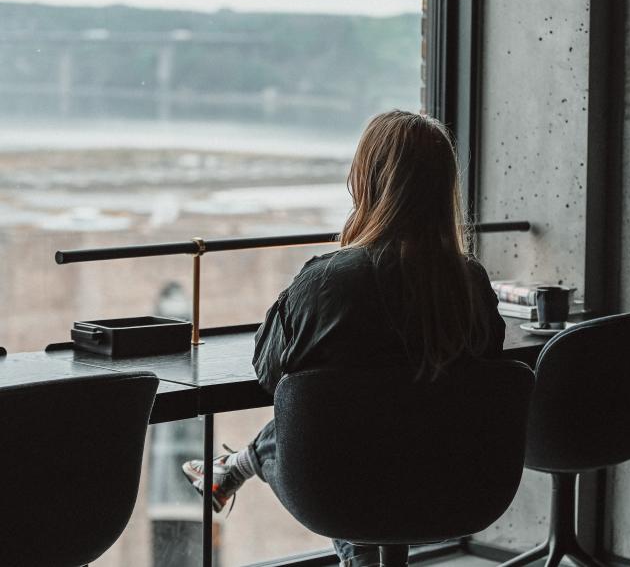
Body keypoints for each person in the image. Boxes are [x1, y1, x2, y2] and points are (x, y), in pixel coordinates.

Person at [182, 110, 506, 567]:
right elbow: (487, 366)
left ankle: (239, 472)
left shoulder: (330, 280)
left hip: (340, 485)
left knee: (336, 421)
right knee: (372, 418)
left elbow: (270, 370)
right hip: (452, 478)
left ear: (366, 183)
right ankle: (236, 471)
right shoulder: (471, 281)